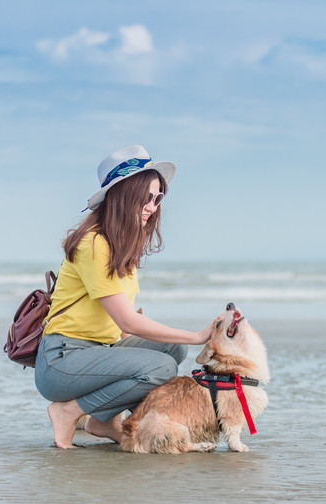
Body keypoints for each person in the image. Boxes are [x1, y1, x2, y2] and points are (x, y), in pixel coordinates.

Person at [35, 145, 217, 449]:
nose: (153, 205)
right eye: (145, 197)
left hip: (94, 353)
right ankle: (68, 411)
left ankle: (102, 420)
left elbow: (121, 328)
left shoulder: (122, 247)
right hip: (62, 360)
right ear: (123, 195)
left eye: (158, 197)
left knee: (171, 348)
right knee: (162, 368)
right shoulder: (94, 243)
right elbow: (128, 322)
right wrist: (198, 336)